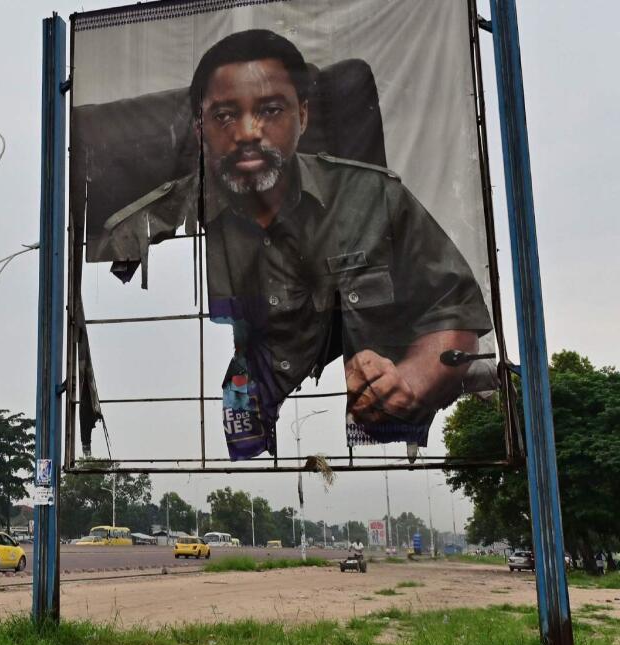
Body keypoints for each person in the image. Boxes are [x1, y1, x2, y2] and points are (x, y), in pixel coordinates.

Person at [97, 29, 492, 458]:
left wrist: (415, 378)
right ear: (199, 129)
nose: (248, 132)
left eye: (270, 110)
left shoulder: (372, 198)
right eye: (225, 116)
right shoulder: (141, 227)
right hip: (221, 434)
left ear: (302, 116)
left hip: (369, 449)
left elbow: (455, 307)